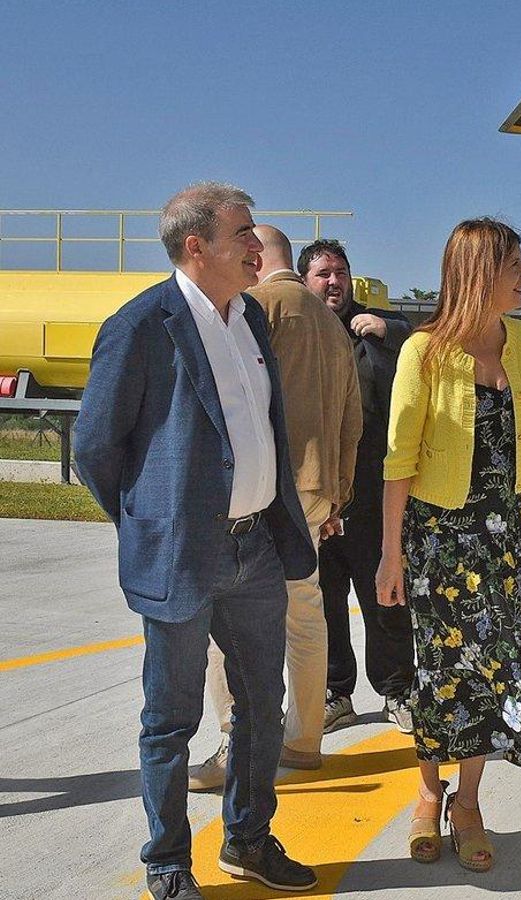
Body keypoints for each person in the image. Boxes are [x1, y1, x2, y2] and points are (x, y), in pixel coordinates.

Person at [74, 182, 319, 900]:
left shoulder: (249, 320)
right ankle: (168, 860)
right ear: (195, 247)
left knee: (260, 709)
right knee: (171, 717)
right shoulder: (143, 325)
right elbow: (96, 447)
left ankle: (247, 839)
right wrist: (148, 520)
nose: (256, 243)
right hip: (183, 553)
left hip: (258, 550)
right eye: (242, 233)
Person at [376, 217, 521, 873]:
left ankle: (469, 801)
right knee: (438, 676)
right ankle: (428, 793)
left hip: (504, 537)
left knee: (495, 675)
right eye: (517, 265)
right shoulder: (423, 352)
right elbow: (399, 461)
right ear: (483, 272)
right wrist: (389, 553)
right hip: (440, 538)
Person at [189, 226, 362, 791]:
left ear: (256, 257)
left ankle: (232, 746)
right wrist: (338, 491)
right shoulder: (331, 323)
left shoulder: (252, 307)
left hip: (262, 497)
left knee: (225, 630)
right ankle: (304, 739)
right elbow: (351, 419)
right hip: (316, 494)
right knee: (306, 618)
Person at [300, 239, 418, 734]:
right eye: (323, 273)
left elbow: (422, 343)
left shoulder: (374, 327)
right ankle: (335, 692)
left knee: (385, 597)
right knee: (324, 601)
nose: (334, 282)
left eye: (341, 272)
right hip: (315, 493)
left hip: (371, 492)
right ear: (304, 281)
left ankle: (397, 691)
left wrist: (387, 329)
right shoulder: (297, 332)